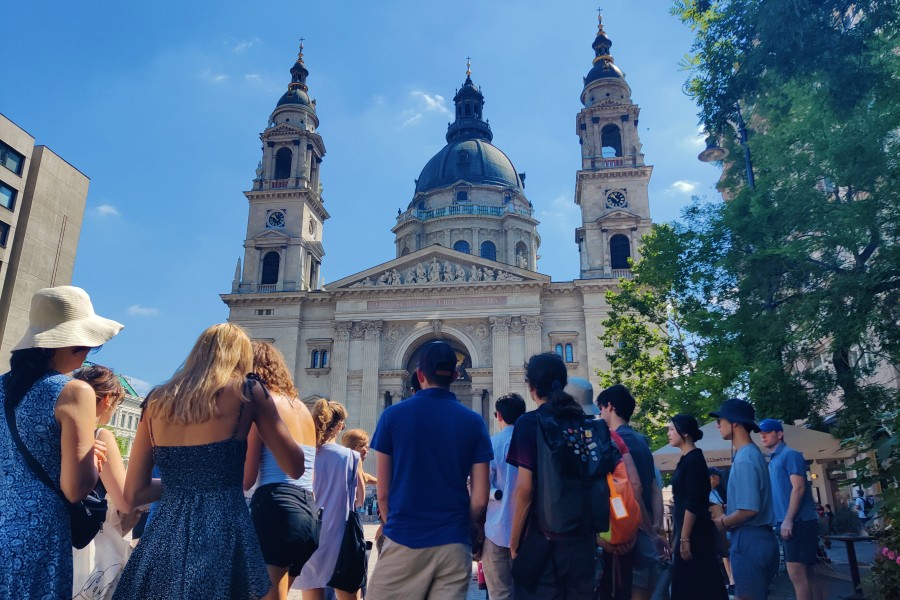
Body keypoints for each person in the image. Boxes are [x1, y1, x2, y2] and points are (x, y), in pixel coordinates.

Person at [113, 323, 304, 600]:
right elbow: (295, 466)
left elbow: (134, 494)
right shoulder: (248, 392)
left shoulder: (155, 400)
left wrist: (186, 483)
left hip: (165, 533)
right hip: (224, 530)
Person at [0, 286, 123, 598]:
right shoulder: (72, 391)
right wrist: (93, 462)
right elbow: (76, 488)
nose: (86, 355)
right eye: (85, 347)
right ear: (66, 344)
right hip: (40, 534)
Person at [367, 341, 492, 599]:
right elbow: (480, 499)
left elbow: (382, 494)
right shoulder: (474, 421)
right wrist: (458, 526)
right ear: (456, 376)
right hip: (454, 545)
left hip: (405, 537)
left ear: (420, 375)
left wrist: (396, 526)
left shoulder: (392, 416)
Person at [507, 353, 616, 600]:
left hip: (543, 540)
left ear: (531, 387)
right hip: (583, 541)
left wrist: (514, 543)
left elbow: (525, 490)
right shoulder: (586, 423)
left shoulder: (529, 423)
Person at [243, 341, 318, 600]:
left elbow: (247, 477)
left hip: (276, 507)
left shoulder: (264, 405)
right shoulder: (303, 410)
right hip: (308, 514)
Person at [596, 384, 667, 600]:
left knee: (624, 590)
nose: (600, 414)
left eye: (601, 409)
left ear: (609, 406)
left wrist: (643, 527)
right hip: (645, 531)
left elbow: (635, 488)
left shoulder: (613, 442)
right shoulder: (642, 441)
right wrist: (655, 526)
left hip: (625, 533)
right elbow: (654, 487)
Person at [72, 364, 136, 600]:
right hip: (91, 546)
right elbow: (125, 499)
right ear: (108, 399)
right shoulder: (100, 436)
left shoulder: (57, 432)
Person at [296, 399, 365, 600]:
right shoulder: (350, 457)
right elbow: (360, 500)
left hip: (310, 536)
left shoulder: (305, 454)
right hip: (341, 538)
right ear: (340, 426)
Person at [710, 398, 778, 600]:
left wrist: (722, 521)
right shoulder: (749, 454)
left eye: (720, 420)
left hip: (750, 538)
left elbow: (749, 509)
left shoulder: (746, 458)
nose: (717, 425)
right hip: (758, 537)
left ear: (735, 422)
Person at [759, 418, 823, 600]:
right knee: (807, 572)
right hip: (791, 521)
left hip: (798, 522)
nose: (763, 435)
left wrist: (788, 519)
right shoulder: (773, 459)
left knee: (796, 573)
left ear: (779, 434)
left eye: (768, 431)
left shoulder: (790, 455)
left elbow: (799, 487)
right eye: (761, 432)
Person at [667, 415, 728, 600]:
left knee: (697, 583)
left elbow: (693, 502)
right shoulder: (688, 459)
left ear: (684, 433)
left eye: (671, 429)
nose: (668, 433)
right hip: (689, 531)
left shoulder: (694, 460)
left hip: (694, 535)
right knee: (695, 583)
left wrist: (684, 538)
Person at [482, 392, 527, 600]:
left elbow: (481, 488)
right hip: (529, 532)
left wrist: (494, 494)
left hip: (496, 530)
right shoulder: (533, 443)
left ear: (498, 415)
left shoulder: (491, 444)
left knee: (500, 592)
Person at [708, 467, 736, 593]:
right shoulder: (707, 492)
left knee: (727, 552)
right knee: (726, 551)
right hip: (717, 525)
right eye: (718, 478)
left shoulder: (715, 491)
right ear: (712, 477)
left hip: (722, 524)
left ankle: (731, 579)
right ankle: (731, 579)